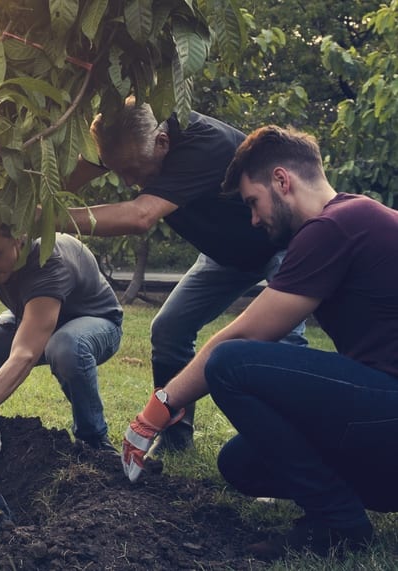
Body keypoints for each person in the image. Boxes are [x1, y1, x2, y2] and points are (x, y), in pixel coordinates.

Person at [122, 125, 398, 558]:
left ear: (282, 181)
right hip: (384, 416)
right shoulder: (351, 218)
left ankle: (338, 522)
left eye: (253, 202)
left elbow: (248, 333)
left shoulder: (335, 226)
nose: (252, 220)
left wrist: (157, 408)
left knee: (231, 363)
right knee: (242, 464)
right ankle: (355, 498)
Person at [58, 97, 307, 452]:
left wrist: (47, 218)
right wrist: (23, 203)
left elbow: (139, 216)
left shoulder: (204, 143)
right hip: (226, 255)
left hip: (280, 243)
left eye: (133, 168)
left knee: (284, 342)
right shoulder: (128, 135)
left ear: (162, 142)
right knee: (168, 330)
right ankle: (176, 434)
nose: (129, 181)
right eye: (118, 170)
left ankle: (293, 447)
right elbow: (70, 178)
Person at [0, 211, 124, 460]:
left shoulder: (49, 258)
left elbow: (25, 353)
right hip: (28, 318)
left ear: (20, 240)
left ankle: (94, 444)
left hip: (94, 322)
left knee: (66, 346)